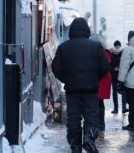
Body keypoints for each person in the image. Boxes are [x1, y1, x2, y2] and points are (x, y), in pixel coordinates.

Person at [51, 17, 110, 153]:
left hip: (72, 88)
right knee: (91, 115)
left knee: (73, 117)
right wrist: (95, 78)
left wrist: (66, 79)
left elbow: (55, 67)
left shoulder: (63, 47)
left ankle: (75, 145)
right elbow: (105, 66)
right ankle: (89, 138)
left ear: (71, 30)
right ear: (86, 30)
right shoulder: (95, 46)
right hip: (91, 88)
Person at [90, 34, 112, 138]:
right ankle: (99, 123)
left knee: (97, 102)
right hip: (102, 79)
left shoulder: (100, 51)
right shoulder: (104, 51)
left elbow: (104, 66)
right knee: (98, 102)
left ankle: (99, 123)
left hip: (99, 79)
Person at [110, 40, 128, 114]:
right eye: (116, 45)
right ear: (114, 46)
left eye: (118, 45)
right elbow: (108, 63)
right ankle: (116, 108)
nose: (117, 46)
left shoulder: (123, 52)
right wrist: (114, 69)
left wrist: (121, 68)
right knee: (114, 92)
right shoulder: (111, 53)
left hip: (121, 75)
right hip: (114, 75)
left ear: (120, 46)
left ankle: (124, 108)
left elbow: (125, 62)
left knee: (123, 91)